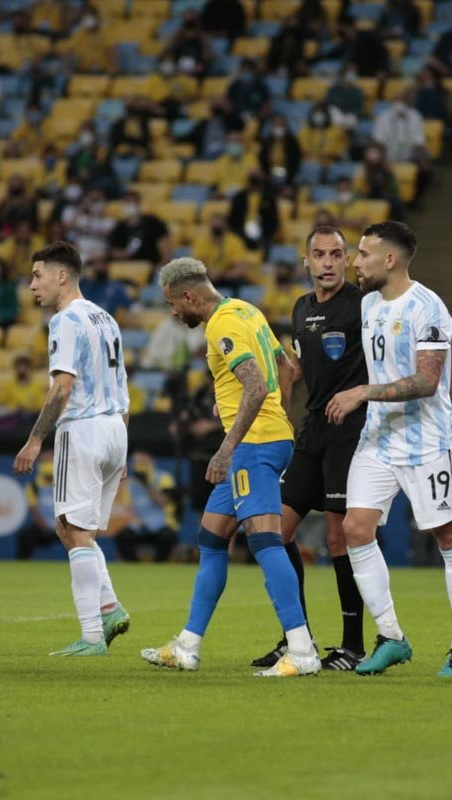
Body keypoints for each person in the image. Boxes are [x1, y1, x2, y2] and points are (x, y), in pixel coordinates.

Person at [140, 256, 319, 677]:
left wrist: (227, 447)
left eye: (172, 304)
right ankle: (187, 645)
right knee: (211, 536)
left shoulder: (221, 324)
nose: (173, 312)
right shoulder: (247, 309)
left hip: (252, 446)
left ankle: (302, 650)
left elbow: (256, 385)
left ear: (188, 295)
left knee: (265, 541)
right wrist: (281, 420)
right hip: (267, 438)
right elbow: (288, 369)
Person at [323, 221, 452, 678]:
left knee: (449, 534)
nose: (356, 261)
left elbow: (427, 382)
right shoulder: (369, 302)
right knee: (355, 528)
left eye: (363, 254)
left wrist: (361, 393)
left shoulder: (427, 307)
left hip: (428, 441)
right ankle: (391, 636)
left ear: (389, 260)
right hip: (378, 439)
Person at [250, 226, 370, 672]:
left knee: (339, 537)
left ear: (346, 260)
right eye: (318, 254)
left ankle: (353, 644)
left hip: (350, 428)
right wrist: (279, 384)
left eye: (336, 254)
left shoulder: (362, 305)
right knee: (276, 531)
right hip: (313, 426)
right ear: (306, 261)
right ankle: (296, 637)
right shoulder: (300, 309)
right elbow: (299, 364)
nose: (327, 262)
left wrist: (362, 394)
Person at [12, 242, 132, 656]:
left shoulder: (65, 320)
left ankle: (92, 636)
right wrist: (125, 453)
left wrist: (34, 439)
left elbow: (62, 387)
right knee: (74, 530)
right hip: (117, 429)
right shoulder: (107, 318)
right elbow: (124, 389)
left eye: (37, 275)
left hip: (82, 430)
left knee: (75, 530)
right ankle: (110, 608)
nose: (32, 286)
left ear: (62, 275)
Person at [114, 452, 179, 563]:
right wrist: (136, 520)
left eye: (143, 462)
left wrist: (147, 485)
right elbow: (129, 508)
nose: (139, 466)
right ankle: (133, 566)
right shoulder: (131, 484)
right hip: (140, 526)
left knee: (168, 536)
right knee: (123, 536)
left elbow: (163, 501)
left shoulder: (164, 478)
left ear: (151, 462)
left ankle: (159, 566)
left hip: (161, 525)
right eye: (136, 463)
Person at [108, 192, 172, 265]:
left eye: (133, 202)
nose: (130, 205)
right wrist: (124, 254)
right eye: (127, 202)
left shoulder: (152, 222)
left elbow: (164, 241)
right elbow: (113, 250)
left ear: (139, 204)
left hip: (151, 264)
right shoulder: (119, 226)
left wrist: (164, 262)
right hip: (128, 265)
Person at [16, 457, 60, 559]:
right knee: (25, 536)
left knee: (77, 538)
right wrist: (45, 528)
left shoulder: (64, 485)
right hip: (43, 528)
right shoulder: (33, 486)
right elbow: (34, 510)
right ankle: (21, 566)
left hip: (62, 526)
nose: (50, 479)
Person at [371, 90, 427, 163]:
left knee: (425, 153)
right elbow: (378, 140)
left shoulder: (415, 116)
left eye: (402, 100)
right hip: (388, 153)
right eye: (396, 100)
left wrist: (420, 156)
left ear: (407, 102)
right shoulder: (383, 117)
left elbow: (419, 140)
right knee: (373, 154)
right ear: (391, 102)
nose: (399, 104)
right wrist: (384, 159)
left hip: (410, 154)